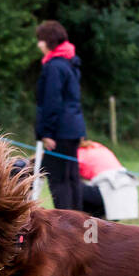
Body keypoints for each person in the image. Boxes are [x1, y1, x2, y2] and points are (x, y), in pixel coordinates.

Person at [34, 20, 86, 211]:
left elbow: (51, 102)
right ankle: (79, 224)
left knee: (58, 180)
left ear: (49, 41)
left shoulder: (54, 67)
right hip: (73, 128)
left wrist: (46, 132)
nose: (39, 44)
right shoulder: (70, 63)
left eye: (40, 40)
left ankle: (66, 226)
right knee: (72, 178)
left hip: (59, 132)